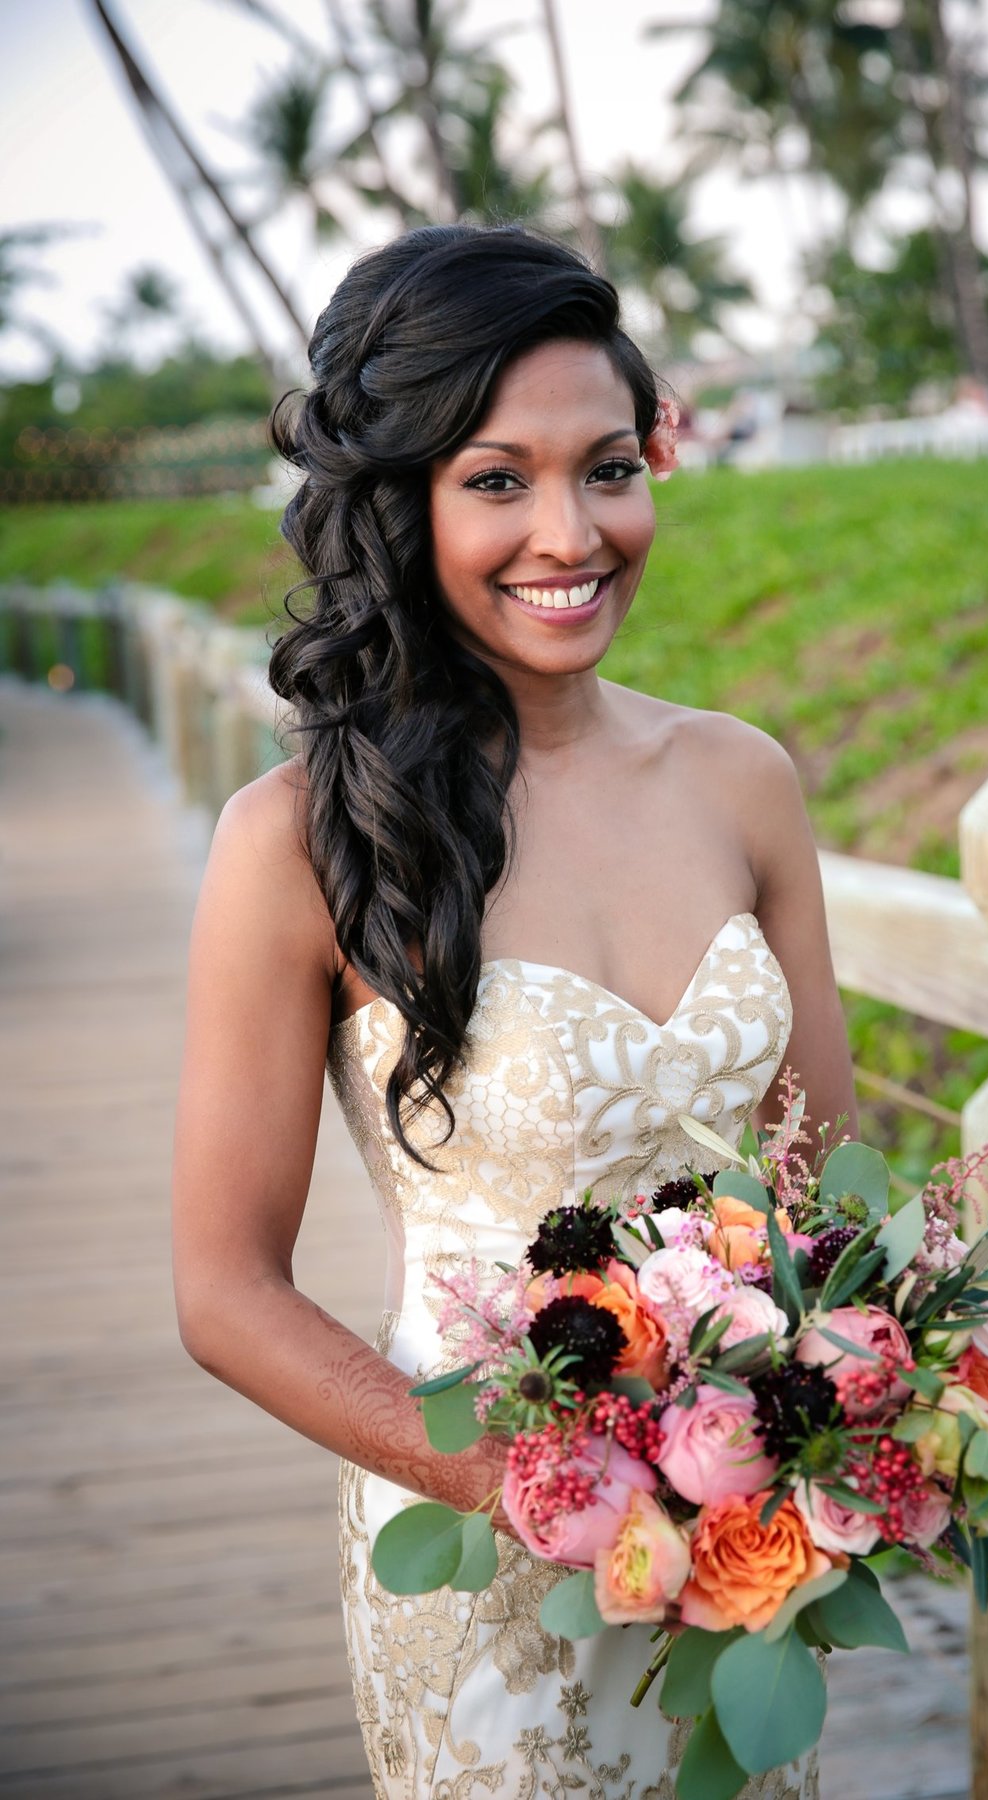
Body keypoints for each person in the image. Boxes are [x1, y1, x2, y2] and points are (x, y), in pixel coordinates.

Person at [172, 223, 856, 1799]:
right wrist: (538, 1486)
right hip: (491, 1560)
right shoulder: (294, 843)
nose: (572, 529)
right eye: (496, 479)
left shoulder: (742, 781)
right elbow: (223, 1292)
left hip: (749, 1551)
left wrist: (842, 1437)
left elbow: (822, 1197)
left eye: (608, 466)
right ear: (398, 501)